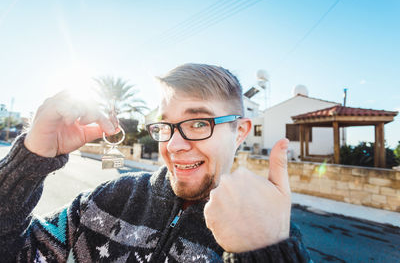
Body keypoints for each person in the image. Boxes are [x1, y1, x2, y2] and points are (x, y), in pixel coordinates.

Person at [0, 63, 311, 262]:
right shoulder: (109, 199)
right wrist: (31, 160)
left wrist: (268, 254)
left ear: (240, 131)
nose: (173, 145)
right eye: (165, 126)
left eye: (199, 123)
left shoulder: (267, 233)